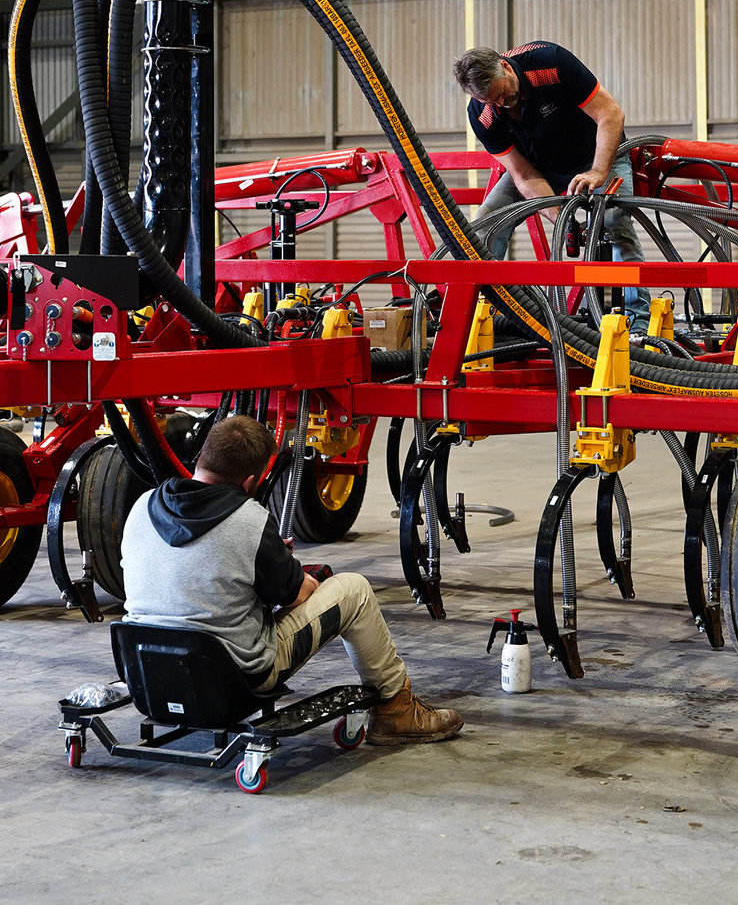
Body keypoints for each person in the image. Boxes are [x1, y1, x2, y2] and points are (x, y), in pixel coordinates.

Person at [120, 414, 464, 746]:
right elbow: (297, 595)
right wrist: (286, 565)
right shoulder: (249, 521)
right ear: (250, 483)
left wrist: (266, 558)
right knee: (354, 591)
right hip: (231, 682)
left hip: (146, 673)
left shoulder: (142, 506)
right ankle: (396, 711)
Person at [453, 42, 650, 332]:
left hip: (596, 155)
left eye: (502, 93)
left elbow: (611, 115)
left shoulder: (550, 64)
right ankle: (479, 319)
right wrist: (561, 219)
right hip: (540, 166)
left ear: (506, 67)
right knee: (487, 220)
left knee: (613, 220)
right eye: (491, 101)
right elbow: (523, 174)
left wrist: (597, 171)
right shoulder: (482, 115)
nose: (502, 103)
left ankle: (637, 323)